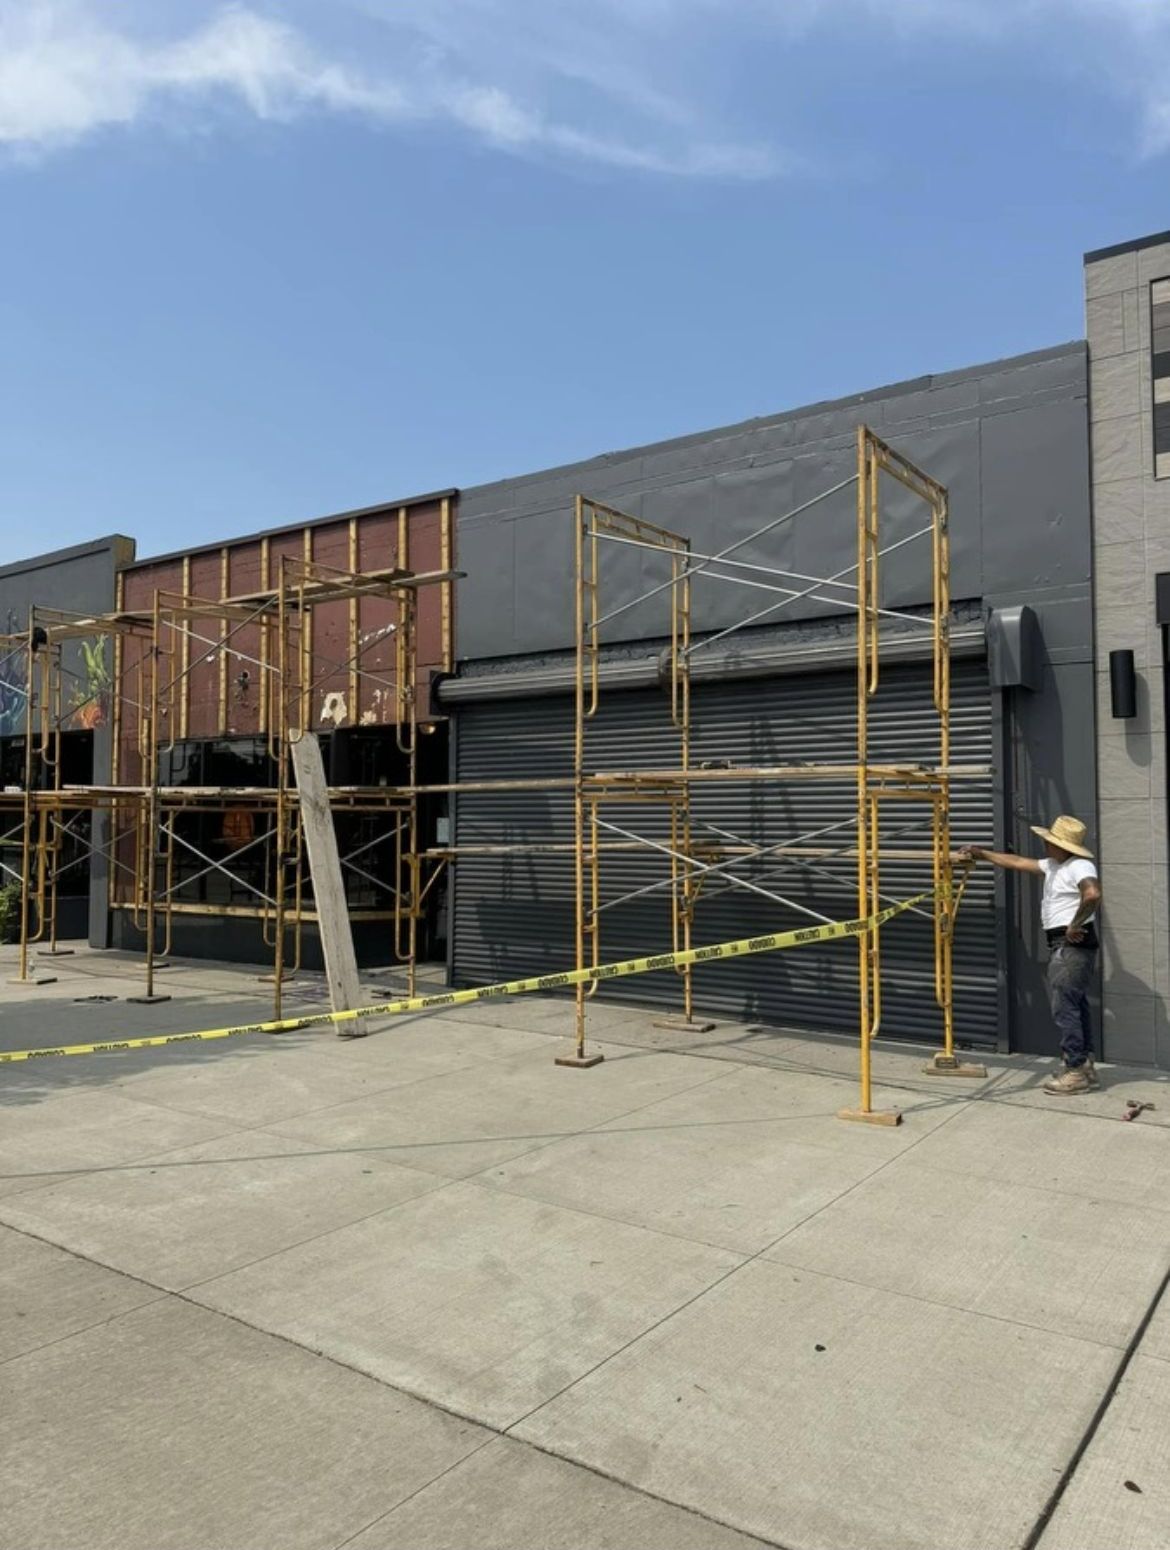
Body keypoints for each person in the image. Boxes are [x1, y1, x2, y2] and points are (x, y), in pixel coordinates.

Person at [961, 815, 1102, 1095]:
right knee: (1075, 1004)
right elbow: (1016, 862)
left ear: (1064, 846)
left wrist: (1075, 924)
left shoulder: (1079, 865)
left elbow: (1093, 894)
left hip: (1071, 942)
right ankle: (1083, 1065)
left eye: (1050, 842)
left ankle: (1075, 1072)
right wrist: (981, 853)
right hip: (1065, 943)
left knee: (1065, 1008)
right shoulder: (1053, 865)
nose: (1046, 845)